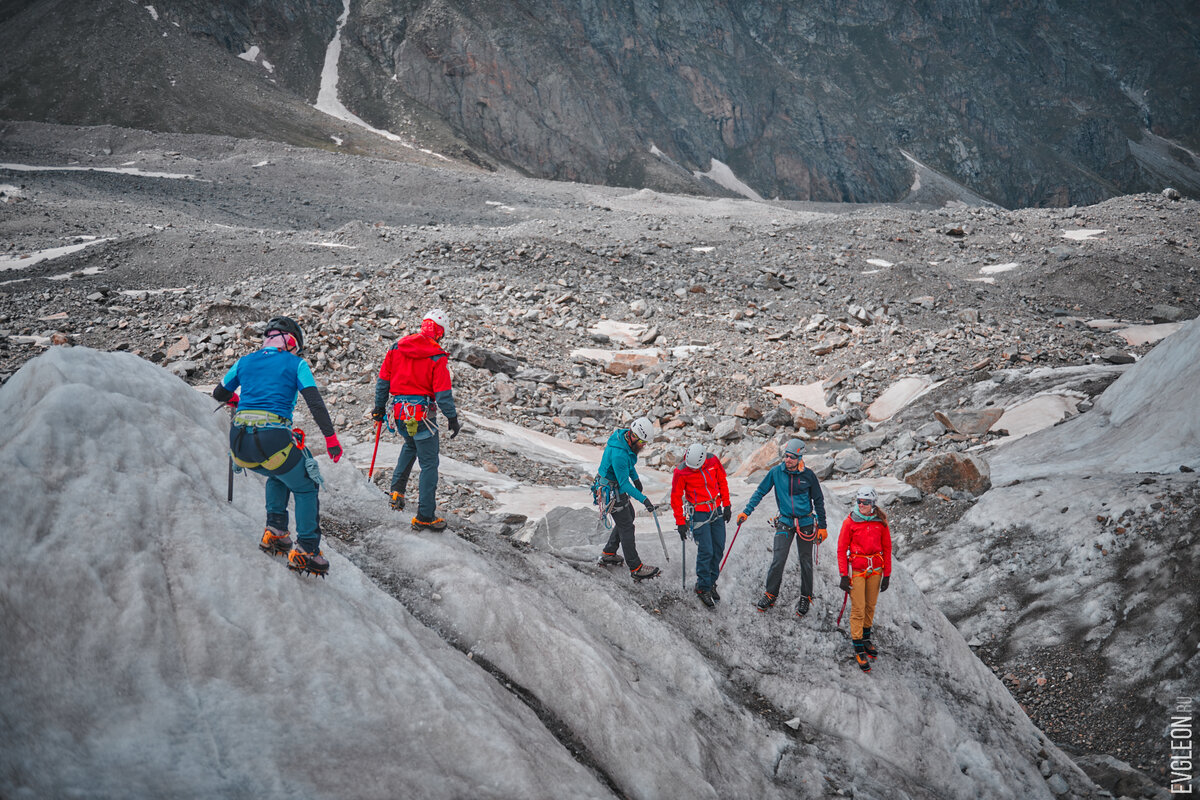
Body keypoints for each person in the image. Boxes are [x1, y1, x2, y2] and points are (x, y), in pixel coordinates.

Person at [213, 316, 342, 577]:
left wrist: (238, 399)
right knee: (306, 484)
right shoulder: (297, 364)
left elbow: (219, 394)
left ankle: (276, 532)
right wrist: (331, 440)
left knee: (278, 472)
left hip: (239, 442)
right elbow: (315, 403)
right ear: (292, 342)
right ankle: (307, 549)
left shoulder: (244, 361)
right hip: (272, 439)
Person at [372, 309, 461, 531]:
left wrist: (378, 408)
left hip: (399, 413)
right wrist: (452, 417)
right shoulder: (437, 355)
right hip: (422, 415)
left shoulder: (397, 347)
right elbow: (442, 393)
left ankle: (396, 492)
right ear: (440, 332)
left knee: (410, 445)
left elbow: (383, 380)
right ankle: (425, 516)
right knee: (429, 463)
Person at [737, 438, 827, 615]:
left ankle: (806, 597)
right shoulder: (776, 472)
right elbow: (760, 492)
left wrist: (822, 527)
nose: (788, 460)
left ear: (800, 457)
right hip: (785, 521)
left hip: (805, 523)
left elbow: (818, 501)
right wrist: (746, 512)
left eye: (792, 457)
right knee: (778, 560)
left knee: (806, 561)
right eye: (786, 456)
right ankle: (770, 594)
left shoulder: (808, 476)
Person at [595, 417, 661, 580]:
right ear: (634, 436)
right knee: (627, 527)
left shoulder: (624, 439)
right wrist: (644, 500)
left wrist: (636, 478)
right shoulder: (618, 454)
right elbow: (624, 484)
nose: (644, 445)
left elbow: (629, 464)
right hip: (612, 491)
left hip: (614, 487)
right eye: (643, 442)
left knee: (629, 516)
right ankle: (636, 567)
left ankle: (609, 552)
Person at [836, 486, 892, 673]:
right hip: (858, 570)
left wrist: (887, 575)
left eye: (865, 502)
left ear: (873, 503)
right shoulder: (849, 522)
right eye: (859, 501)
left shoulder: (881, 522)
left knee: (870, 606)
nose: (861, 505)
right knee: (858, 608)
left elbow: (887, 548)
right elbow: (841, 549)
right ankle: (858, 646)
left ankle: (866, 638)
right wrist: (844, 575)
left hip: (875, 569)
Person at [671, 443, 731, 608]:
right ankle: (702, 587)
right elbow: (676, 497)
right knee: (706, 550)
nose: (694, 470)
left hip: (715, 509)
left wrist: (727, 505)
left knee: (718, 547)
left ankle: (711, 582)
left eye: (696, 468)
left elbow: (722, 481)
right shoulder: (682, 471)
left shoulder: (712, 461)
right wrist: (680, 522)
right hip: (698, 512)